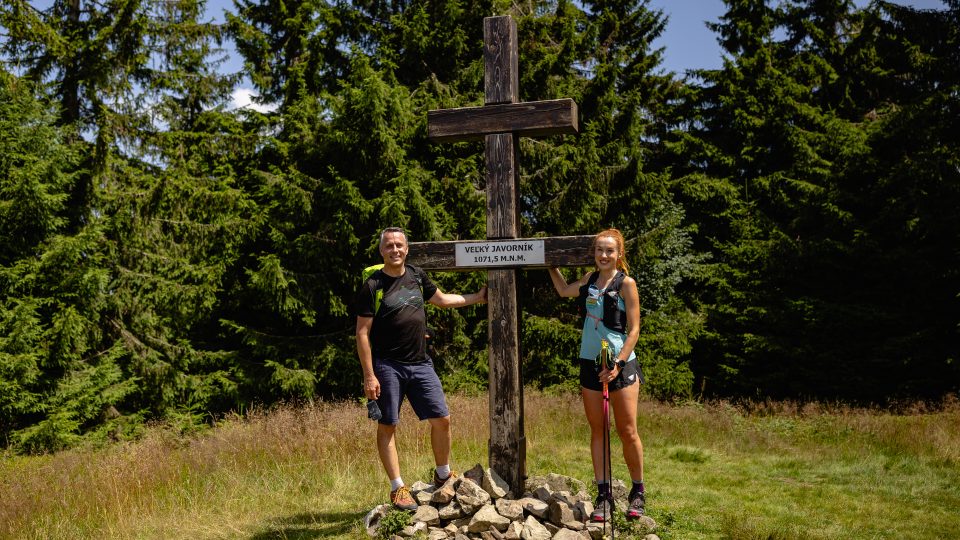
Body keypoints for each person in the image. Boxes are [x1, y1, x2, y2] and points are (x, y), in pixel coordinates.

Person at [356, 227, 487, 510]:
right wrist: (369, 375)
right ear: (381, 251)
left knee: (442, 419)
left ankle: (442, 474)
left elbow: (441, 300)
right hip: (387, 366)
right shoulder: (373, 286)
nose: (395, 250)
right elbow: (362, 333)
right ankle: (398, 488)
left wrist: (477, 297)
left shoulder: (416, 275)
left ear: (407, 248)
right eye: (389, 246)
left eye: (399, 245)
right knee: (388, 424)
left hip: (420, 363)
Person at [547, 228, 646, 521]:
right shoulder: (590, 280)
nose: (604, 256)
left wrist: (617, 363)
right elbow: (564, 291)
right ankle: (604, 495)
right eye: (599, 251)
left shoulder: (626, 283)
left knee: (627, 431)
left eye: (609, 251)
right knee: (598, 430)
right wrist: (550, 264)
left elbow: (635, 330)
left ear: (619, 254)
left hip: (620, 364)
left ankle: (637, 492)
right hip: (589, 362)